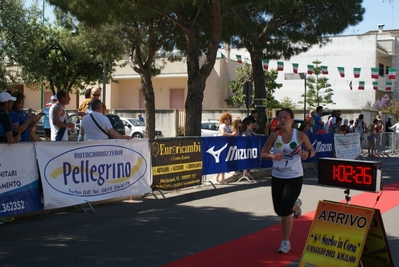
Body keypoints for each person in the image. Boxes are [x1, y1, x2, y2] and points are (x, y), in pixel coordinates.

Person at [260, 108, 315, 254]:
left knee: (284, 208)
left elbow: (312, 150)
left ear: (292, 120)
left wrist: (306, 154)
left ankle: (285, 242)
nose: (282, 120)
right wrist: (272, 157)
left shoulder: (300, 135)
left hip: (294, 176)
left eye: (285, 117)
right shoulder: (274, 136)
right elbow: (263, 154)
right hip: (278, 176)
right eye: (280, 118)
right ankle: (295, 206)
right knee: (278, 209)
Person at [215, 112, 235, 185]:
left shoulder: (229, 126)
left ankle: (217, 177)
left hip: (226, 145)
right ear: (223, 119)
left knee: (223, 162)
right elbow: (223, 133)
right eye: (226, 118)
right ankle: (222, 179)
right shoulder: (223, 125)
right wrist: (232, 134)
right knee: (223, 162)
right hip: (221, 145)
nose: (228, 120)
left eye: (229, 118)